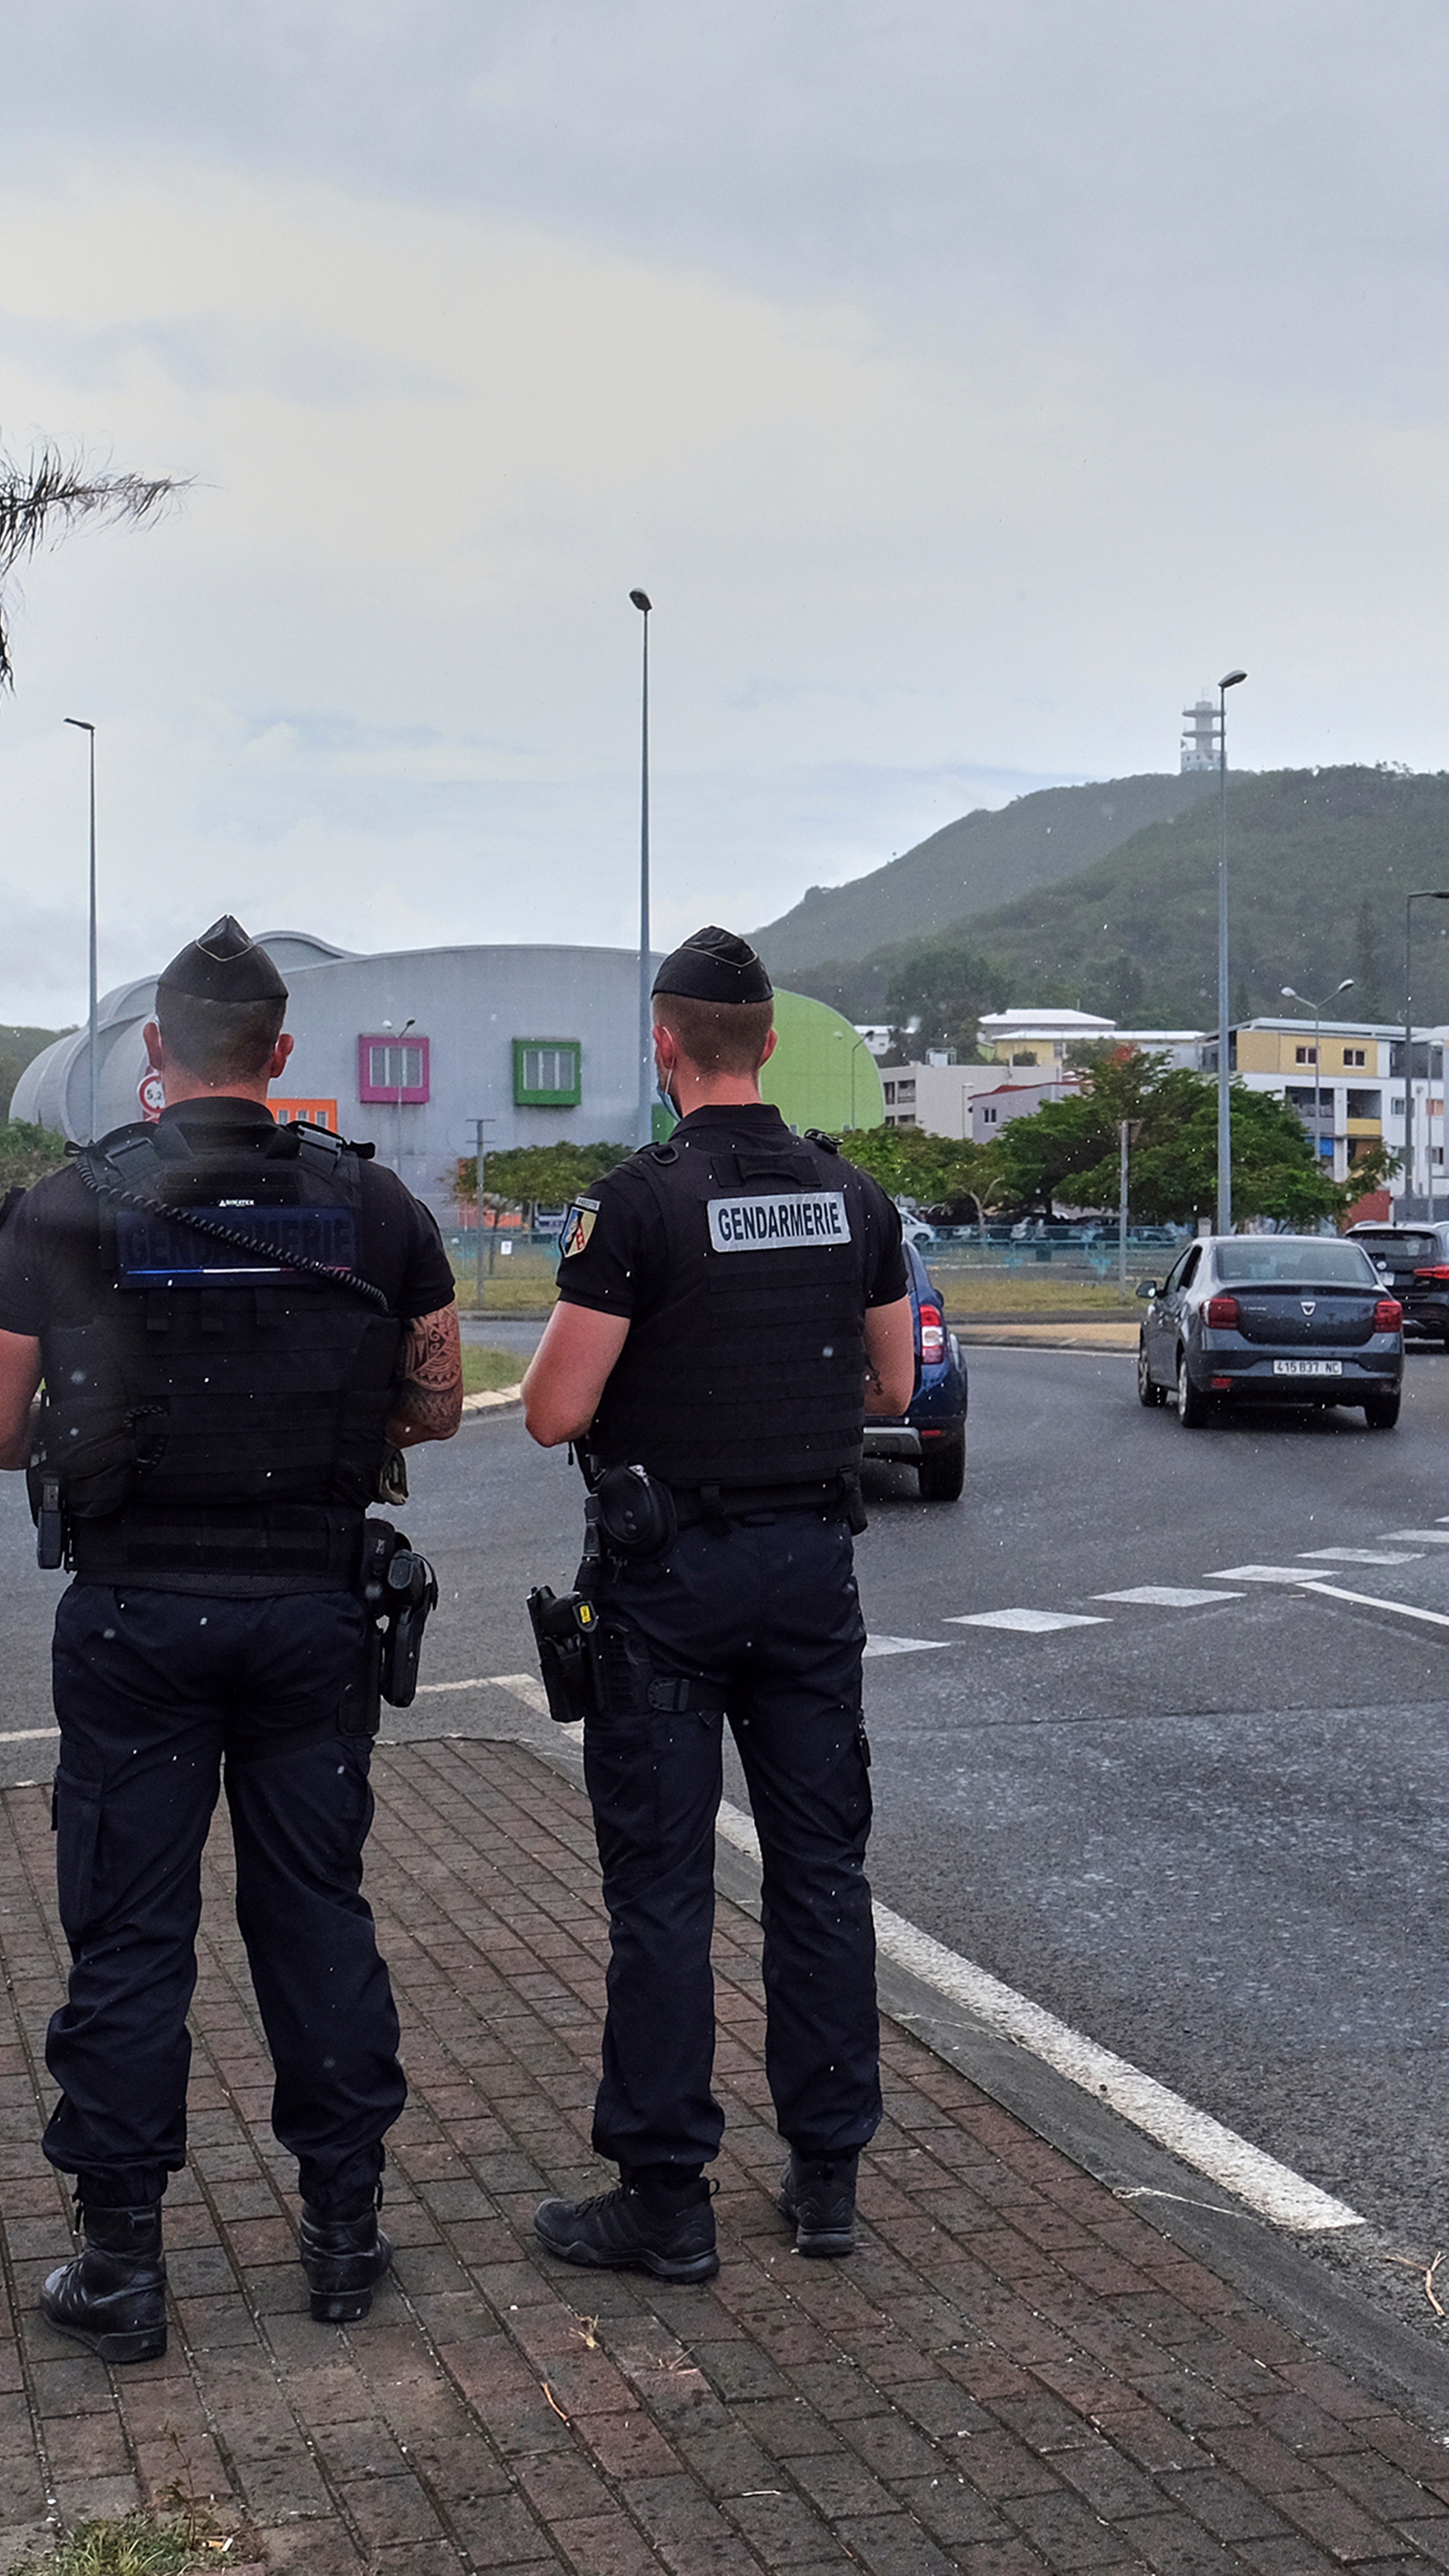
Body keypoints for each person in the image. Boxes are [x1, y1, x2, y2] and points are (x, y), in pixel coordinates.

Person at [0, 916, 467, 2363]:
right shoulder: (377, 1210)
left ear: (155, 1058)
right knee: (316, 1917)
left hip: (133, 1622)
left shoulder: (62, 1208)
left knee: (129, 1937)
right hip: (312, 1616)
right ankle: (344, 2238)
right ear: (282, 1059)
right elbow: (434, 1405)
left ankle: (122, 2269)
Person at [519, 925, 916, 2278]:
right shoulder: (852, 1198)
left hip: (669, 1585)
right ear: (769, 1045)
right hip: (813, 1576)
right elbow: (896, 1389)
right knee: (821, 1876)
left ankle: (666, 2203)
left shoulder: (634, 1206)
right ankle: (826, 2183)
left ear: (665, 1045)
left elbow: (554, 1411)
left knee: (664, 1894)